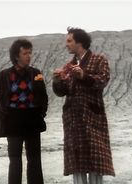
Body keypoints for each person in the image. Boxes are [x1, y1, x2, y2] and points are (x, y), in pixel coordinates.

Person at [52, 27, 115, 184]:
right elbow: (62, 92)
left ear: (79, 42)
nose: (66, 44)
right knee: (77, 162)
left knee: (95, 160)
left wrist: (83, 76)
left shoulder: (99, 60)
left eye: (69, 41)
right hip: (73, 119)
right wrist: (57, 81)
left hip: (92, 117)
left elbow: (102, 80)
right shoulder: (68, 66)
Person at [0, 39, 48, 184]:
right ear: (16, 56)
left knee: (34, 160)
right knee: (15, 161)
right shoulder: (4, 75)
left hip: (32, 118)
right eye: (25, 53)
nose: (29, 56)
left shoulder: (36, 73)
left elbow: (43, 96)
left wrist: (41, 113)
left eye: (30, 53)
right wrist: (5, 117)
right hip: (13, 119)